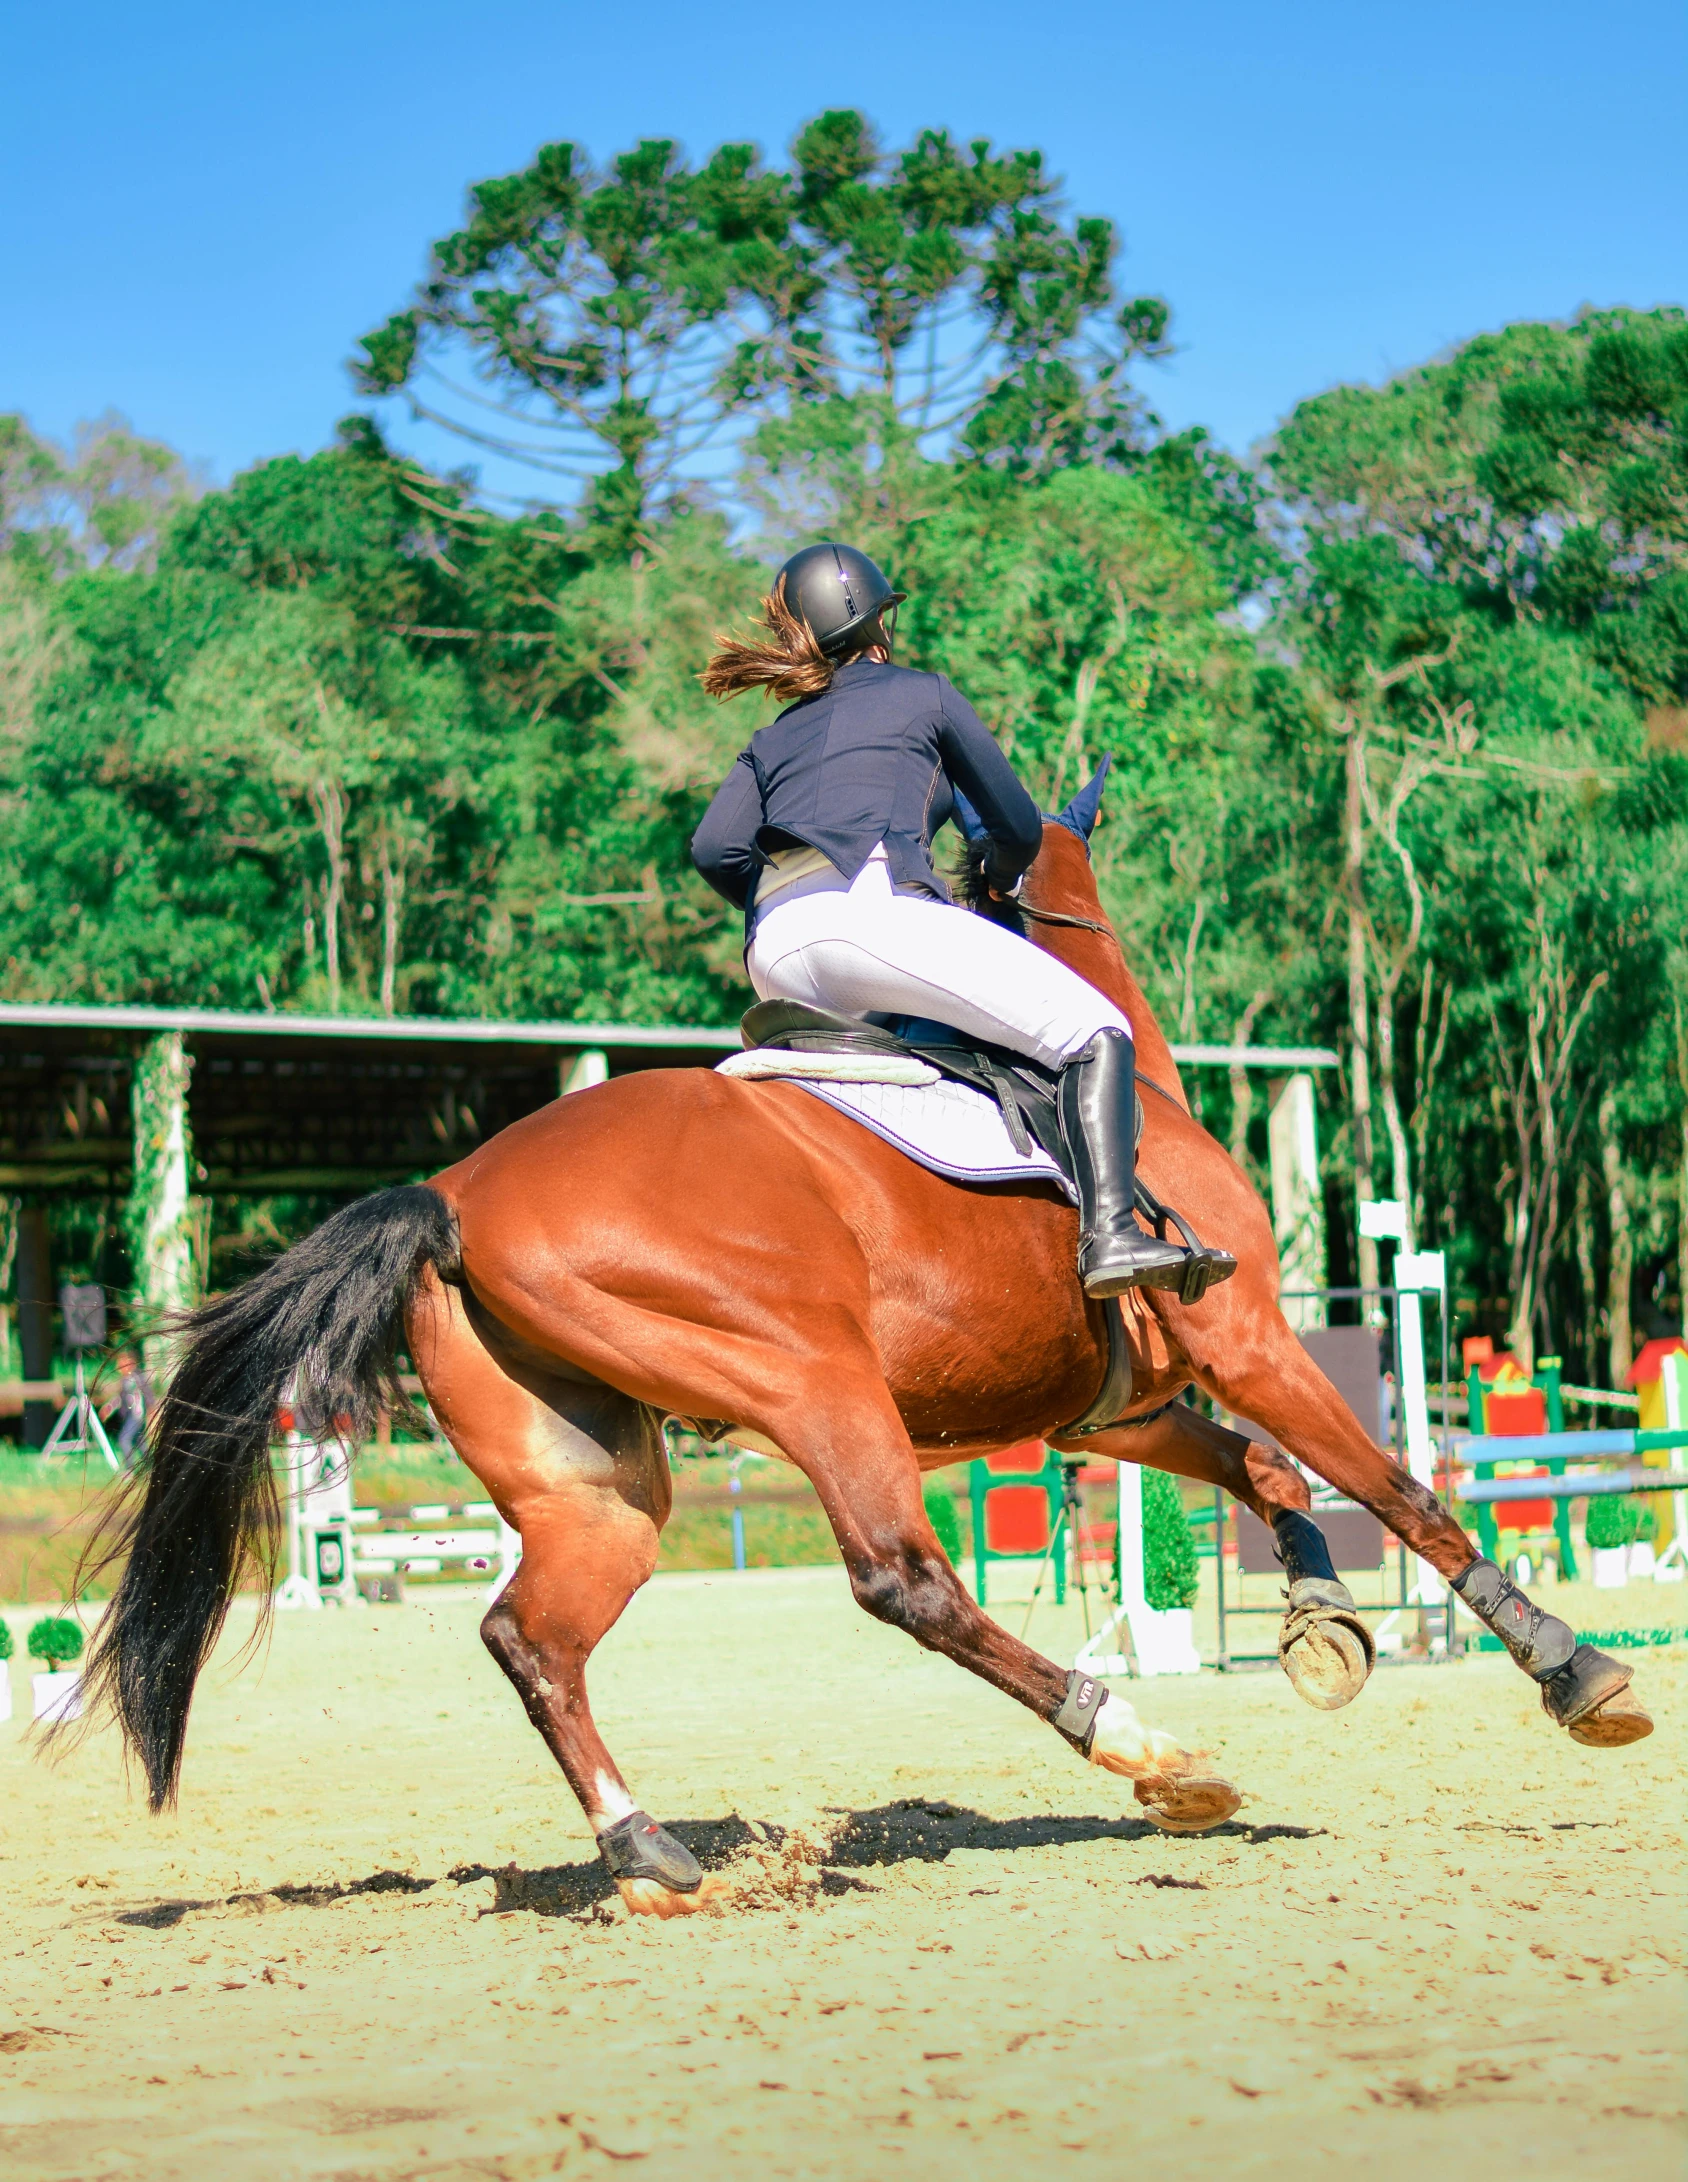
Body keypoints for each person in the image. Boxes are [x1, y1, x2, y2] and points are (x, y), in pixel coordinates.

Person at [690, 542, 1195, 1298]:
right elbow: (1018, 826)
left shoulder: (772, 737)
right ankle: (1112, 1234)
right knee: (1097, 1033)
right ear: (878, 627)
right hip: (875, 921)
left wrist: (789, 901)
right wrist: (995, 872)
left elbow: (713, 848)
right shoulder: (921, 693)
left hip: (773, 955)